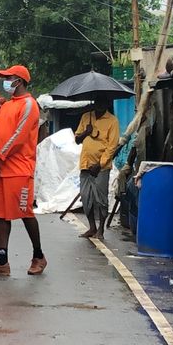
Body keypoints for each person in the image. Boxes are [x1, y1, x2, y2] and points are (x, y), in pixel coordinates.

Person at [0, 65, 47, 277]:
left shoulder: (29, 105)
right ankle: (1, 260)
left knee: (25, 213)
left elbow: (19, 136)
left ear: (21, 81)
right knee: (1, 215)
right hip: (0, 168)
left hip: (19, 169)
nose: (6, 81)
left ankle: (39, 256)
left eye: (10, 78)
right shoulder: (8, 105)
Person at [74, 96, 120, 240]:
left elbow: (112, 146)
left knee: (101, 199)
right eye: (97, 101)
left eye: (103, 101)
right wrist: (85, 132)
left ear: (107, 103)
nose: (100, 104)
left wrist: (100, 164)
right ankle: (92, 227)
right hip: (85, 164)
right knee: (86, 197)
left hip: (101, 167)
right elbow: (77, 139)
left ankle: (101, 229)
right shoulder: (86, 116)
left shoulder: (112, 121)